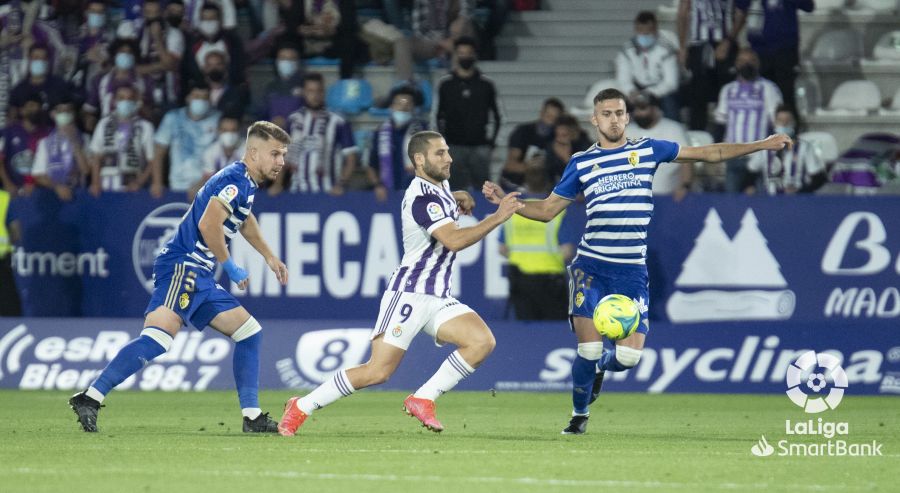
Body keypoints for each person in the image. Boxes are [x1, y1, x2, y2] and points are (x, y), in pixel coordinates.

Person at [482, 88, 791, 435]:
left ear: (627, 117)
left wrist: (761, 144)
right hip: (591, 267)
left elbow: (711, 152)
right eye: (607, 114)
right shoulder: (582, 162)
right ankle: (579, 415)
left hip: (631, 271)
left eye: (619, 113)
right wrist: (512, 203)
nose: (614, 119)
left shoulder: (647, 150)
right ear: (594, 119)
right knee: (588, 346)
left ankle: (600, 367)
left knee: (627, 359)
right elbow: (548, 210)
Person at [278, 130, 524, 436]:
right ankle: (302, 406)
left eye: (447, 151)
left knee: (481, 341)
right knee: (377, 372)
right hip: (410, 293)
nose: (449, 158)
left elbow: (443, 200)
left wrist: (455, 196)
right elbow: (454, 240)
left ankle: (423, 398)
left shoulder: (440, 186)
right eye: (440, 153)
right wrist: (497, 217)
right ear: (419, 160)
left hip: (438, 295)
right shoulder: (421, 197)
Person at [69, 121, 291, 433]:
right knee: (158, 338)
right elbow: (209, 225)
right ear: (254, 153)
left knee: (249, 332)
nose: (281, 161)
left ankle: (252, 417)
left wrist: (268, 254)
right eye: (275, 154)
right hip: (183, 266)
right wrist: (229, 266)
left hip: (198, 273)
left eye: (282, 154)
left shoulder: (245, 183)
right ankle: (89, 397)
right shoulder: (234, 180)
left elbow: (244, 219)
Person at [499, 161, 576, 320]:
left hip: (521, 281)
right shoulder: (557, 211)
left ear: (526, 182)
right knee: (554, 331)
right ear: (549, 183)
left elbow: (502, 249)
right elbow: (567, 250)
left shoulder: (513, 210)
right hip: (550, 281)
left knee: (527, 330)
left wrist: (522, 257)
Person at [273, 72, 358, 195]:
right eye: (311, 91)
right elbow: (283, 156)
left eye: (319, 91)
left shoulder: (338, 122)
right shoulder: (293, 120)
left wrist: (341, 184)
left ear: (324, 93)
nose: (315, 95)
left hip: (328, 193)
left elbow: (351, 158)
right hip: (296, 193)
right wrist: (278, 184)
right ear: (304, 92)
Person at [434, 36, 501, 190]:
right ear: (456, 56)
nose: (465, 57)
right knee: (454, 191)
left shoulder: (486, 85)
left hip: (480, 147)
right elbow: (436, 115)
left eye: (468, 53)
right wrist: (441, 144)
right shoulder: (445, 84)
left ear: (474, 55)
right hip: (453, 147)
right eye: (461, 53)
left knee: (484, 191)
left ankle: (484, 215)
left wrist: (491, 143)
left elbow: (499, 116)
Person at [715, 48, 782, 193]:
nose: (746, 65)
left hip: (757, 155)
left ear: (758, 63)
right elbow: (720, 123)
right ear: (736, 64)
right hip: (732, 156)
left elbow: (777, 123)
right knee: (731, 205)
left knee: (759, 204)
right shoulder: (728, 90)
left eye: (750, 61)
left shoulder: (768, 88)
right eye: (742, 61)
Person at [734, 0, 814, 116]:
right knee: (759, 95)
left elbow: (808, 6)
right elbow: (741, 7)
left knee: (785, 96)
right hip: (758, 51)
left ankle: (789, 130)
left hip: (785, 50)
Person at [677, 0, 739, 131]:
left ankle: (727, 132)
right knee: (698, 92)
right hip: (699, 43)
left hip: (725, 43)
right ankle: (698, 134)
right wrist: (682, 46)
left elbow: (740, 11)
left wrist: (729, 41)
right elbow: (683, 12)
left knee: (726, 90)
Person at [151, 81, 221, 197]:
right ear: (188, 98)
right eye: (197, 97)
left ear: (210, 100)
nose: (201, 101)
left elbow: (222, 156)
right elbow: (159, 151)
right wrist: (157, 182)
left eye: (205, 98)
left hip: (209, 187)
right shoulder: (173, 118)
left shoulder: (218, 119)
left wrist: (203, 183)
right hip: (177, 185)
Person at [88, 85, 156, 194]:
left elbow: (153, 160)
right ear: (115, 101)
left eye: (130, 99)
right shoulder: (104, 123)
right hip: (105, 186)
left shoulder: (145, 126)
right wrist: (95, 182)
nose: (126, 102)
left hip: (132, 188)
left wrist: (139, 182)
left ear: (135, 102)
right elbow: (96, 155)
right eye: (121, 98)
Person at [366, 86, 430, 197]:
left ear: (414, 107)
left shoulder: (425, 131)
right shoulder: (381, 132)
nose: (403, 108)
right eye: (399, 104)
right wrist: (377, 185)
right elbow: (371, 164)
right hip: (388, 195)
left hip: (418, 196)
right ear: (391, 106)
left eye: (407, 104)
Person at [615, 11, 679, 121]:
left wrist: (650, 93)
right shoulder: (627, 50)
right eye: (640, 31)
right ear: (635, 30)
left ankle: (672, 129)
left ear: (655, 30)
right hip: (636, 89)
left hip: (659, 91)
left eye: (648, 32)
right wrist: (631, 91)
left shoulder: (666, 50)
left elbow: (671, 82)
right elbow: (623, 78)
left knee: (670, 103)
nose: (644, 35)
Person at [628, 91, 693, 199]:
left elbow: (687, 161)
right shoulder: (627, 131)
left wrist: (685, 185)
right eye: (635, 109)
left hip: (669, 197)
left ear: (655, 109)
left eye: (643, 108)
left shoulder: (673, 129)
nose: (638, 113)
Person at [31, 98, 91, 201]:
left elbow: (86, 170)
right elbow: (38, 175)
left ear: (73, 114)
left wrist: (74, 142)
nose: (65, 114)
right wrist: (57, 187)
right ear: (53, 114)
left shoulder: (84, 138)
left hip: (79, 194)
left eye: (68, 110)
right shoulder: (45, 143)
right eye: (60, 111)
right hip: (52, 197)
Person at [503, 98, 564, 187]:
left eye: (555, 119)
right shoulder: (523, 132)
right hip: (519, 183)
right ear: (541, 113)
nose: (550, 122)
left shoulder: (560, 137)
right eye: (548, 116)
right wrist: (531, 167)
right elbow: (511, 165)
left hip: (546, 186)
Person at [0, 188, 23, 316]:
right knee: (9, 306)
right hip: (2, 260)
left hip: (3, 263)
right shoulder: (4, 198)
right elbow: (16, 233)